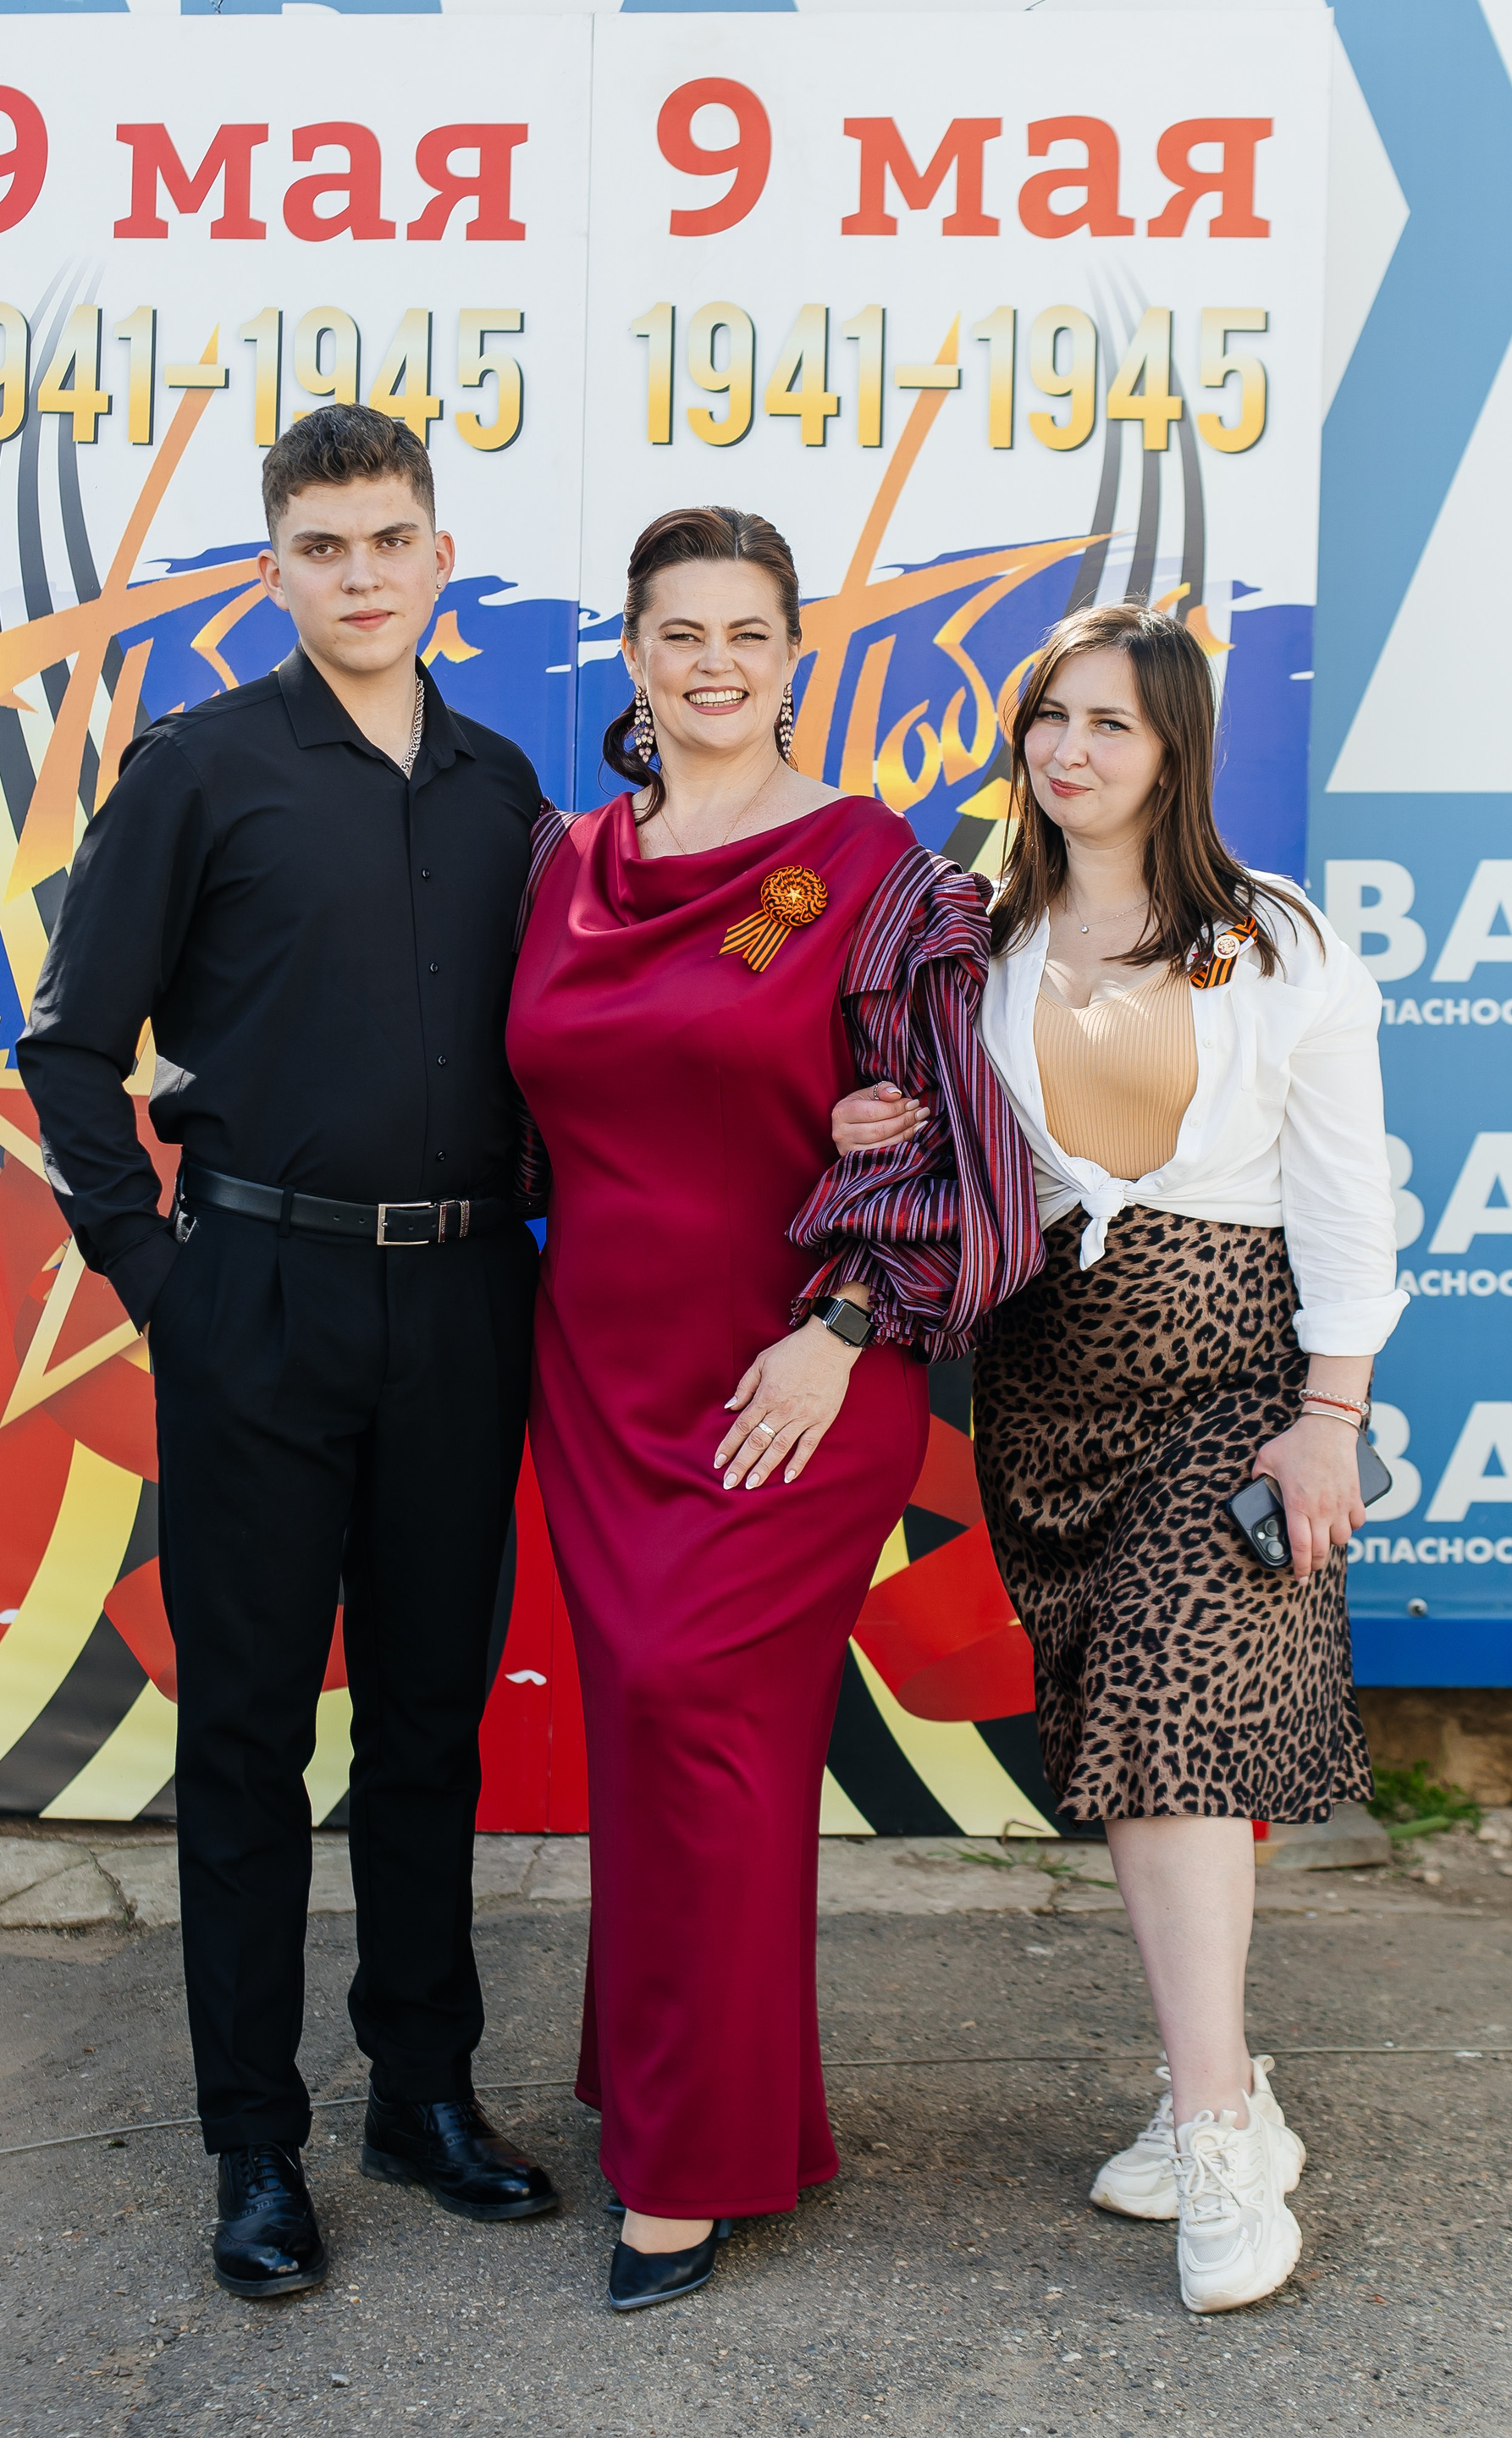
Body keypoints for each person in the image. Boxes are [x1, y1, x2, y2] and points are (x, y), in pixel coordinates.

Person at [19, 405, 559, 2299]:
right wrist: (159, 1282)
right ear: (273, 570)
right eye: (321, 546)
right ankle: (254, 2144)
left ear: (441, 555)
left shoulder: (504, 788)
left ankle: (422, 2095)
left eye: (389, 539)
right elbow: (69, 1049)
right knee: (248, 1737)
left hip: (464, 1302)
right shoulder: (199, 770)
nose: (360, 575)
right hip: (252, 1301)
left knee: (428, 1721)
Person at [834, 602, 1405, 2315]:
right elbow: (922, 1139)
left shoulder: (1277, 941)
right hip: (1047, 1390)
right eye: (1050, 718)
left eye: (1111, 725)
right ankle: (1211, 2084)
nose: (1069, 752)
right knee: (1125, 1737)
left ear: (1174, 754)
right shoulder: (979, 936)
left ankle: (1219, 2138)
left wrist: (1330, 1416)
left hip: (1233, 1375)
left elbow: (1348, 1196)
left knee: (1169, 1723)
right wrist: (868, 1123)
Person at [506, 505, 1043, 2312]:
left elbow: (958, 1143)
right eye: (681, 632)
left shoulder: (872, 872)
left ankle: (686, 2169)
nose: (714, 662)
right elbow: (527, 1109)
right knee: (655, 1745)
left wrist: (843, 1324)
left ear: (794, 653)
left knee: (701, 1721)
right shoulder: (567, 862)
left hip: (796, 1374)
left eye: (748, 631)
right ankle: (696, 2097)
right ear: (633, 655)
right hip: (601, 1376)